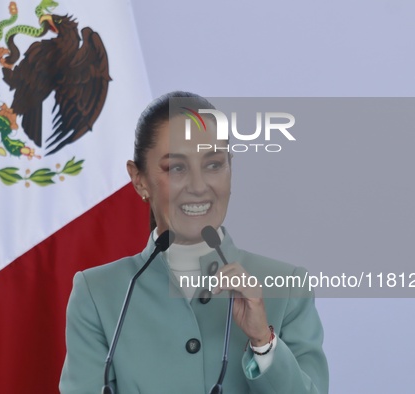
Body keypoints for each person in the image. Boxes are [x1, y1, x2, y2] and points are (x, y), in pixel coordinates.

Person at [59, 92, 329, 393]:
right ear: (140, 180)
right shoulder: (98, 293)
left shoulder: (287, 286)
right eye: (176, 168)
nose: (199, 187)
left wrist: (263, 343)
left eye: (214, 165)